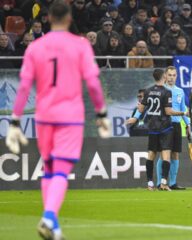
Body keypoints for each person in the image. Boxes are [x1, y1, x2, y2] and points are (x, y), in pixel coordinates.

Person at [5, 1, 110, 239]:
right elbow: (93, 83)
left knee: (49, 169)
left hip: (44, 116)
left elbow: (23, 87)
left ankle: (54, 228)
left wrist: (15, 120)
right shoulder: (81, 45)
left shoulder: (35, 47)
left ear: (49, 18)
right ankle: (49, 217)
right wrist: (101, 112)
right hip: (70, 116)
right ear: (70, 19)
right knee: (61, 171)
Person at [132, 69, 185, 191]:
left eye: (173, 75)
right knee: (164, 154)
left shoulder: (179, 91)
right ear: (165, 76)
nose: (171, 77)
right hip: (164, 126)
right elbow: (168, 111)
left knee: (173, 154)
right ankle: (161, 182)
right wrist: (184, 113)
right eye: (169, 75)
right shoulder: (165, 91)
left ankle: (170, 182)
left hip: (172, 125)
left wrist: (187, 124)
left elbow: (183, 107)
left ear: (176, 76)